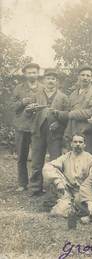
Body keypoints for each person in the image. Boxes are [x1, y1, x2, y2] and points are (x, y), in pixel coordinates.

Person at [28, 68, 69, 196]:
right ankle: (35, 188)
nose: (50, 81)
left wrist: (59, 123)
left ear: (57, 82)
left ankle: (56, 189)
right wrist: (29, 110)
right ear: (43, 80)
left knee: (55, 161)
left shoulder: (63, 97)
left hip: (55, 133)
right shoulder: (36, 95)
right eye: (48, 78)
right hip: (38, 132)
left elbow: (67, 115)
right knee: (36, 161)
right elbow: (28, 113)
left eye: (53, 79)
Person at [42, 134, 92, 217]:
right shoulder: (66, 157)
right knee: (58, 212)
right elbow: (48, 166)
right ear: (71, 144)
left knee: (85, 206)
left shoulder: (91, 159)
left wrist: (85, 193)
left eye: (80, 142)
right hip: (67, 190)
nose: (78, 144)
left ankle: (75, 208)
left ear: (84, 145)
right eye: (75, 142)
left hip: (83, 192)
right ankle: (68, 206)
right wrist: (58, 181)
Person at [11, 63, 41, 192]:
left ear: (38, 73)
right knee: (22, 156)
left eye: (34, 72)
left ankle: (36, 184)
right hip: (22, 126)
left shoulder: (43, 88)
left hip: (37, 126)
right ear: (25, 74)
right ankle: (22, 183)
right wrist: (22, 103)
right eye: (29, 73)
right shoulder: (19, 88)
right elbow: (11, 106)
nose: (32, 75)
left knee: (37, 156)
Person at [60, 65, 92, 155]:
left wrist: (71, 114)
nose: (85, 78)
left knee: (86, 161)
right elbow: (68, 110)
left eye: (88, 76)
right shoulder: (73, 94)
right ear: (78, 77)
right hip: (72, 132)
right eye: (83, 75)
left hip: (87, 132)